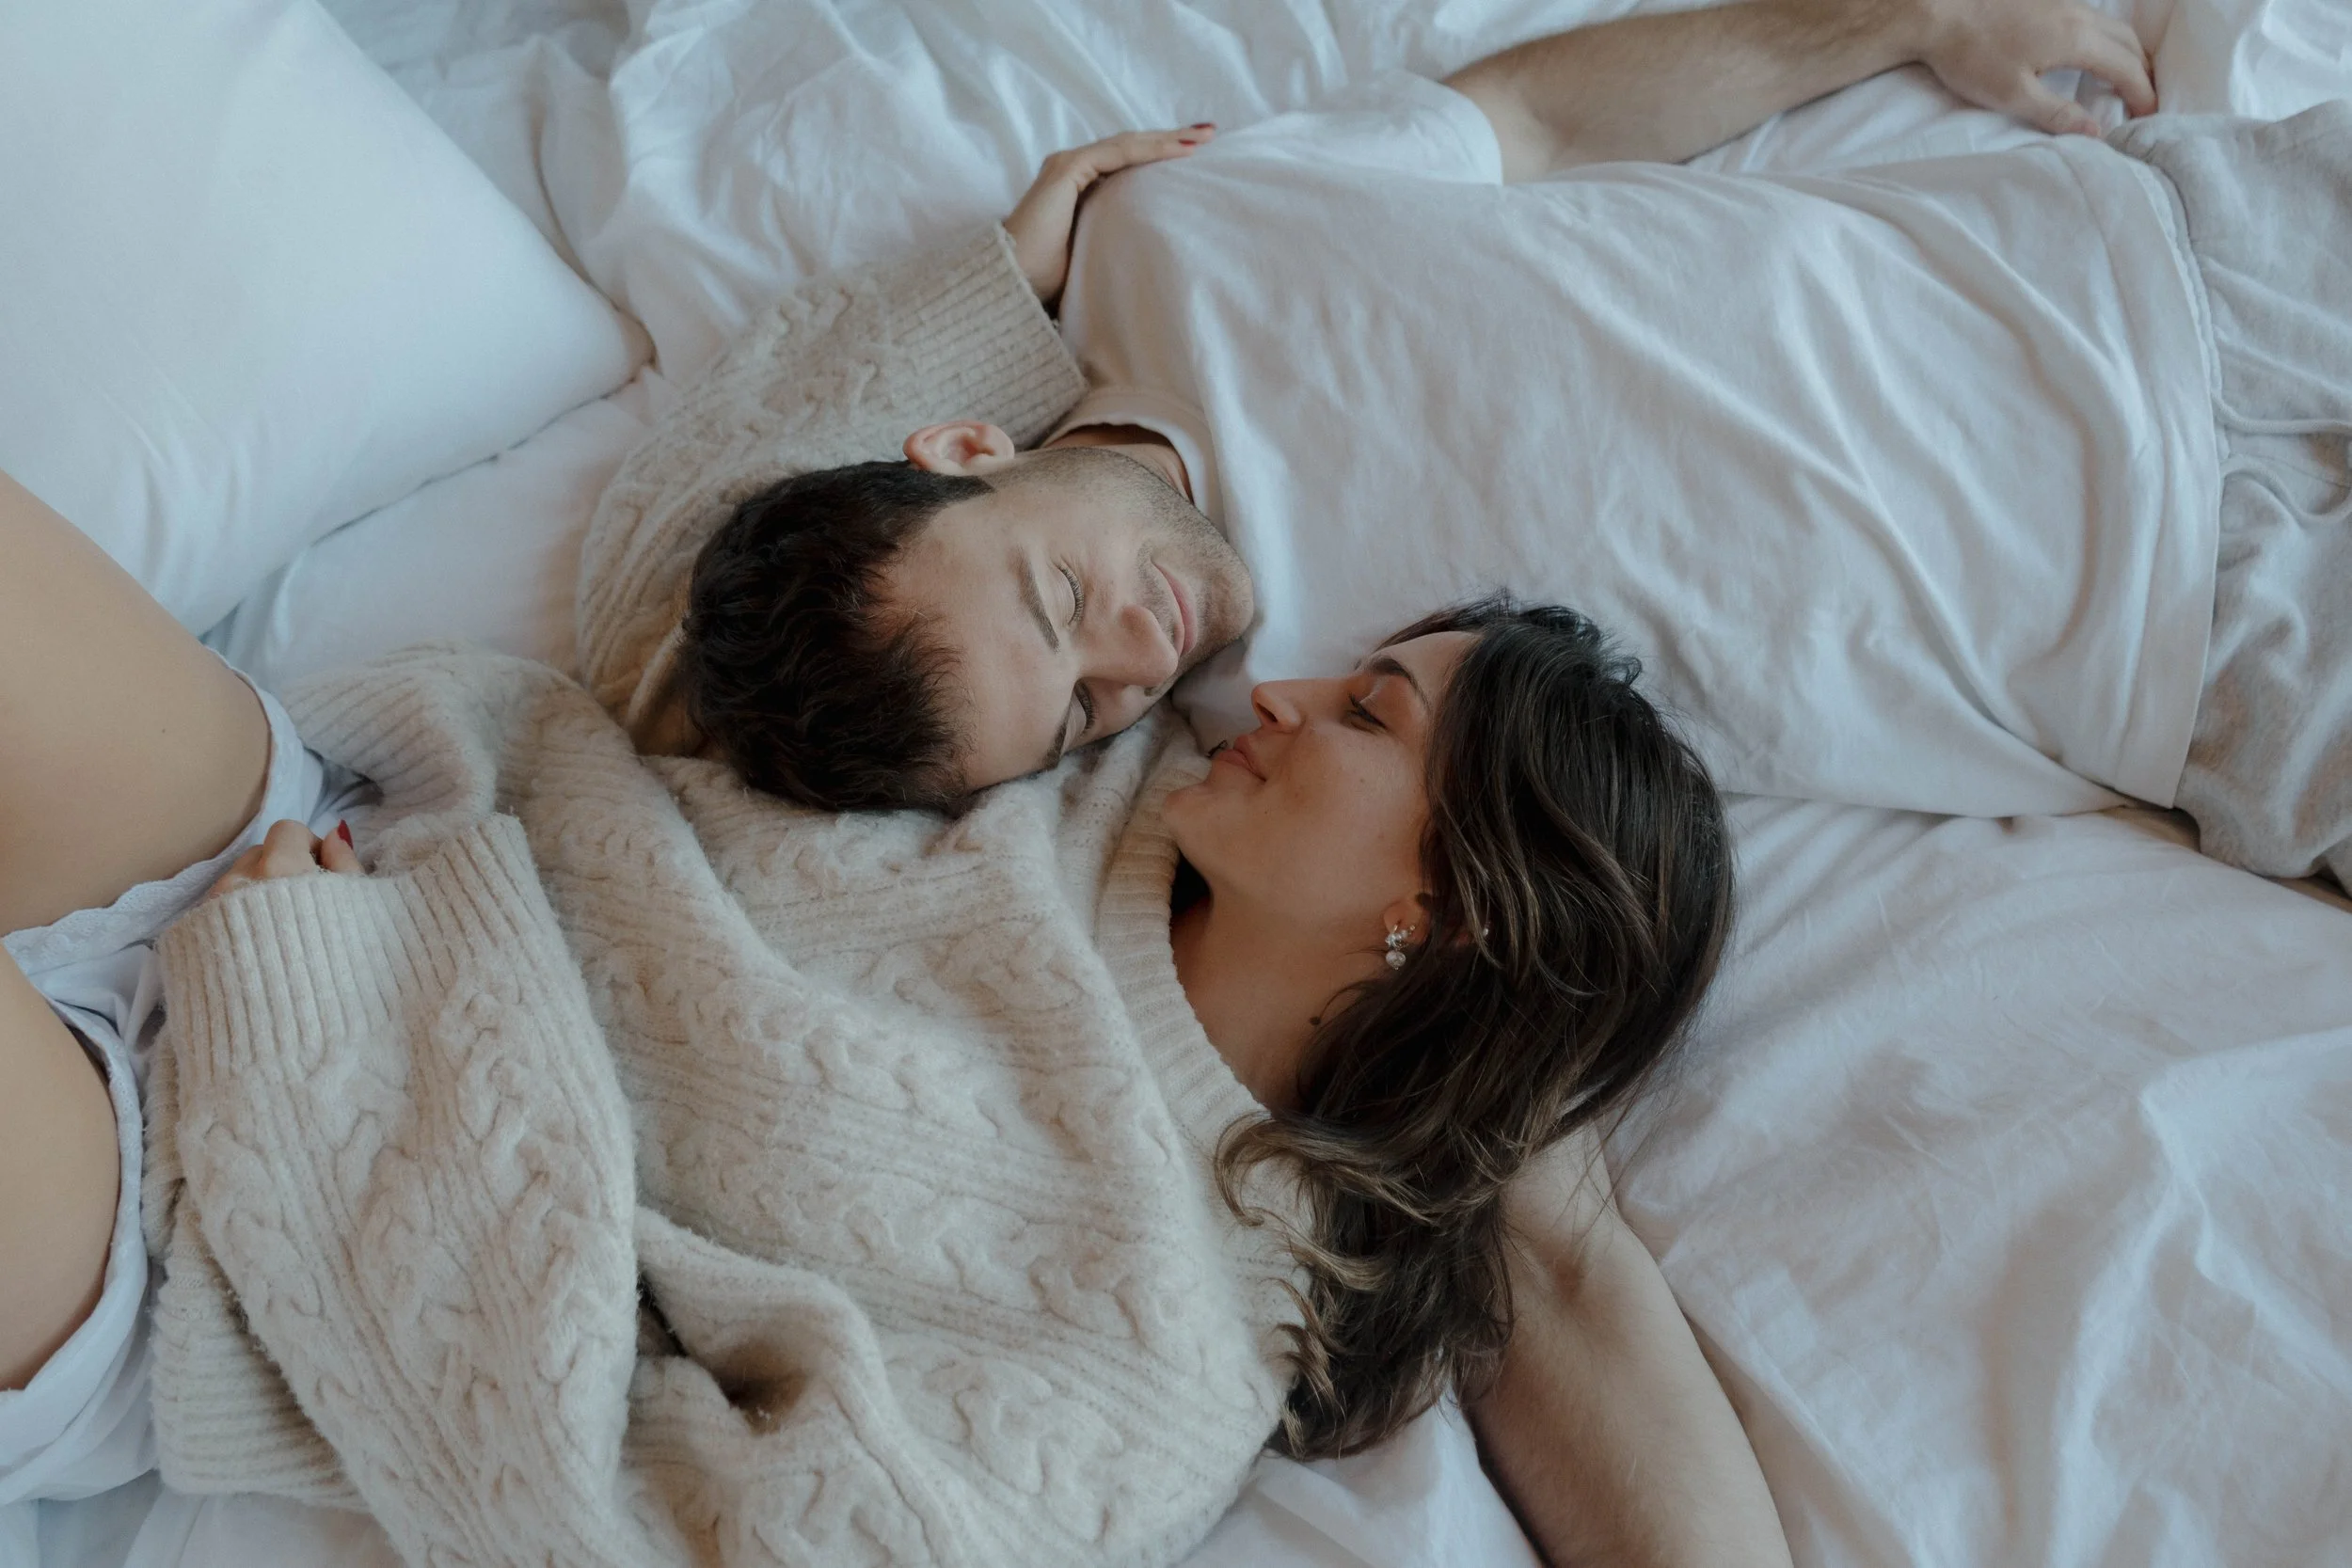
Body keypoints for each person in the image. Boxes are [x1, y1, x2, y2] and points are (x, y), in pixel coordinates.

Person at [615, 0, 2352, 891]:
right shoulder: (1296, 755)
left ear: (968, 439)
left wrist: (1903, 16)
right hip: (2195, 651)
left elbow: (1525, 116)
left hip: (2161, 267)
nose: (1139, 657)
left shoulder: (1177, 229)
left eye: (1062, 598)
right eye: (1077, 712)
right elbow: (625, 703)